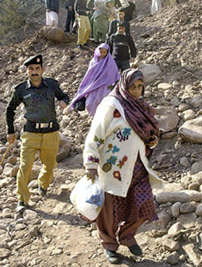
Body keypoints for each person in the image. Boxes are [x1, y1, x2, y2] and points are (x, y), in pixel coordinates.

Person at [83, 69, 164, 264]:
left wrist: (152, 141)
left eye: (139, 87)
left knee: (143, 203)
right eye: (132, 87)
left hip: (138, 165)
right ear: (124, 86)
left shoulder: (141, 106)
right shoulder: (111, 105)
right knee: (109, 209)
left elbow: (148, 132)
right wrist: (91, 162)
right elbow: (96, 133)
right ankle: (109, 245)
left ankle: (127, 235)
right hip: (113, 167)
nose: (136, 91)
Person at [6, 55, 69, 212]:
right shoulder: (21, 89)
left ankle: (43, 184)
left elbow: (63, 96)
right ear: (27, 71)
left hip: (51, 132)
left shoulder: (52, 85)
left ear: (42, 69)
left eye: (37, 68)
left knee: (49, 164)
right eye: (31, 69)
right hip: (30, 134)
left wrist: (64, 102)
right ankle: (22, 199)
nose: (34, 72)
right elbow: (10, 109)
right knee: (25, 166)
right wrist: (10, 131)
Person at [70, 43, 120, 117]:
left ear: (107, 52)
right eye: (101, 52)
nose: (102, 54)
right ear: (97, 51)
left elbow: (114, 74)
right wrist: (87, 84)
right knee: (90, 103)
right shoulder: (93, 61)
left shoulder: (110, 62)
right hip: (93, 85)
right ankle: (94, 117)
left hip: (104, 86)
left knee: (102, 102)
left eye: (104, 52)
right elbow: (89, 74)